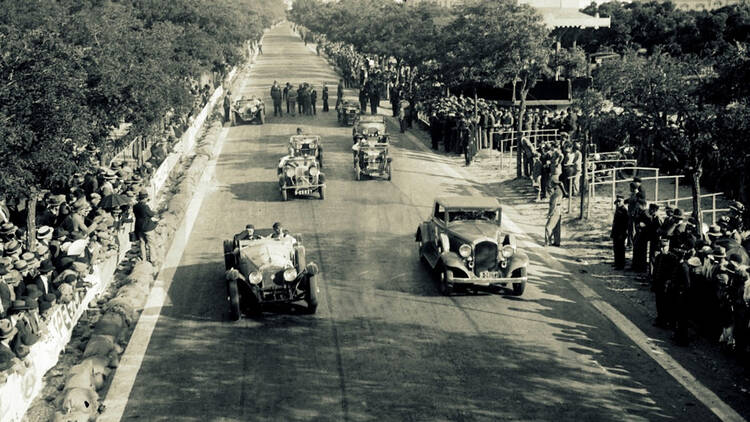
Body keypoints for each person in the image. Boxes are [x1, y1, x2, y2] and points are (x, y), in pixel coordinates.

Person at [133, 192, 158, 263]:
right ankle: (153, 259)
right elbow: (150, 214)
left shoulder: (135, 206)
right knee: (151, 243)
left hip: (139, 227)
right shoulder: (145, 206)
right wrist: (154, 212)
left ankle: (143, 258)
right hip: (147, 227)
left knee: (142, 243)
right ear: (144, 198)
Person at [544, 175, 566, 247]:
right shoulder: (559, 190)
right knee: (556, 227)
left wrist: (550, 214)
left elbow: (553, 205)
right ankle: (557, 242)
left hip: (555, 210)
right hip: (559, 210)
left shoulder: (555, 193)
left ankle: (548, 242)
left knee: (548, 227)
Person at [611, 195, 629, 270]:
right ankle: (616, 263)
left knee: (620, 249)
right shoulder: (618, 209)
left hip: (621, 233)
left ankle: (621, 265)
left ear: (623, 202)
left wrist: (623, 234)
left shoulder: (624, 210)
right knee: (616, 248)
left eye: (620, 201)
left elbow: (625, 224)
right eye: (617, 201)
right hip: (616, 232)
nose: (618, 203)